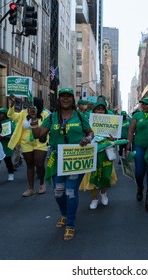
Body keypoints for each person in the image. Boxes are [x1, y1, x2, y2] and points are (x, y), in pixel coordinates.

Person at [30, 88, 94, 240]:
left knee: (70, 191)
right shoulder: (52, 118)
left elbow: (90, 132)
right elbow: (38, 134)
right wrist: (33, 119)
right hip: (57, 158)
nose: (65, 99)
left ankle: (70, 224)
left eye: (68, 97)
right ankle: (65, 215)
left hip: (75, 158)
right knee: (59, 192)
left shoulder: (79, 116)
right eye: (63, 97)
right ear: (59, 100)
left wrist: (88, 139)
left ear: (73, 100)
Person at [7, 95, 49, 197]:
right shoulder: (23, 113)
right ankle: (30, 188)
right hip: (26, 142)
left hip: (40, 141)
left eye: (34, 105)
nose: (31, 107)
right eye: (30, 105)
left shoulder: (45, 114)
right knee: (30, 165)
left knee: (39, 164)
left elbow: (48, 126)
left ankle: (42, 183)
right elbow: (11, 116)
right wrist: (12, 105)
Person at [81, 101, 117, 209]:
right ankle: (94, 198)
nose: (100, 110)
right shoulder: (88, 122)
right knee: (92, 176)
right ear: (94, 111)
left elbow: (114, 137)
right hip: (93, 153)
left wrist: (112, 138)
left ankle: (103, 193)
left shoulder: (110, 122)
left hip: (106, 153)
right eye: (98, 108)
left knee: (106, 174)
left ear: (105, 111)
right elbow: (85, 134)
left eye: (102, 109)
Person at [0, 108, 15, 185]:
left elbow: (13, 134)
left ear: (5, 115)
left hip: (6, 145)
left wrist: (6, 137)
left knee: (8, 160)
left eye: (0, 114)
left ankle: (11, 173)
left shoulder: (10, 123)